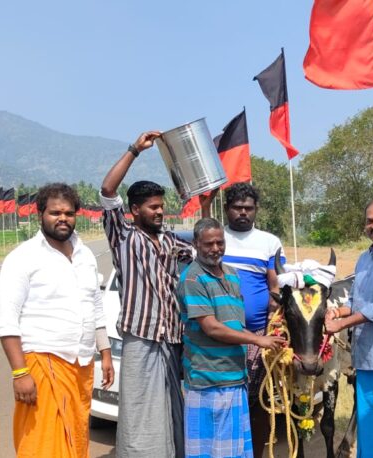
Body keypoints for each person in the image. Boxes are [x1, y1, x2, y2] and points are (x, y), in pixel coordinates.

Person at [99, 131, 212, 457]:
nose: (160, 211)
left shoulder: (171, 240)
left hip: (172, 338)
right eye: (153, 207)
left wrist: (205, 206)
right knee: (138, 412)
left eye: (161, 206)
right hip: (140, 337)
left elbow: (204, 248)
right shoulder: (123, 236)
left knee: (171, 408)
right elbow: (107, 191)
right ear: (135, 209)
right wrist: (135, 149)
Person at [0, 183, 114, 458]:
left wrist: (105, 351)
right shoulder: (23, 257)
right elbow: (6, 319)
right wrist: (20, 373)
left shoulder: (85, 255)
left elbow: (95, 305)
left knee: (76, 436)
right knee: (42, 444)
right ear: (40, 214)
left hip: (81, 365)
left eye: (69, 213)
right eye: (55, 213)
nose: (63, 218)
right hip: (43, 361)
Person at [178, 218, 287, 458]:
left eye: (220, 242)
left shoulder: (232, 274)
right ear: (196, 244)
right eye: (209, 244)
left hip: (235, 378)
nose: (215, 248)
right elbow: (212, 328)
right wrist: (258, 340)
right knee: (208, 452)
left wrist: (269, 339)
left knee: (234, 452)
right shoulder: (193, 278)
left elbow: (235, 326)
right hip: (208, 382)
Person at [326, 199, 373, 457]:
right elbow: (354, 301)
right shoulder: (364, 258)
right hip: (364, 358)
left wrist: (340, 324)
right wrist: (336, 311)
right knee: (368, 431)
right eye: (370, 221)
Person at [219, 182, 285, 456]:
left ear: (256, 209)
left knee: (258, 402)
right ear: (227, 209)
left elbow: (276, 288)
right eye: (237, 207)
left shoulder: (269, 242)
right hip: (220, 337)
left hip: (259, 336)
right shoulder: (217, 238)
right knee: (225, 400)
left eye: (248, 208)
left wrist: (272, 328)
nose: (243, 212)